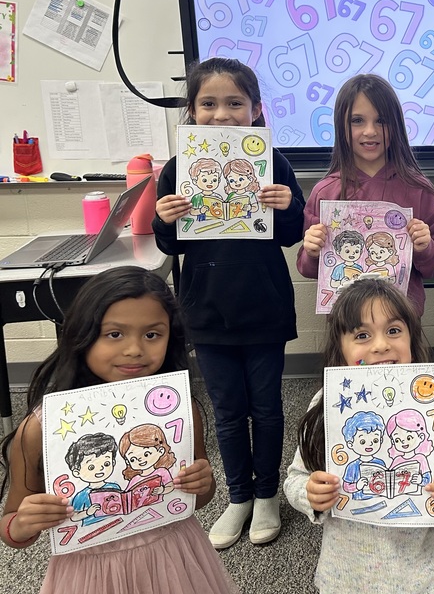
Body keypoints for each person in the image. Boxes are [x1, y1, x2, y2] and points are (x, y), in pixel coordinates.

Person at [0, 266, 238, 593]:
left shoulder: (180, 411)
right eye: (114, 334)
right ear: (82, 334)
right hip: (91, 574)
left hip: (174, 558)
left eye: (152, 335)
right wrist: (24, 523)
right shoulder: (40, 428)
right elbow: (12, 527)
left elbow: (196, 499)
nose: (134, 349)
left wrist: (202, 484)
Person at [153, 57, 306, 549]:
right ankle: (238, 495)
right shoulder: (177, 170)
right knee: (227, 411)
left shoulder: (274, 163)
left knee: (267, 408)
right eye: (209, 104)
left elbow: (292, 234)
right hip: (206, 311)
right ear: (192, 111)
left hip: (264, 308)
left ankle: (267, 494)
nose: (222, 115)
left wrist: (288, 207)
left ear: (256, 109)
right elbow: (172, 245)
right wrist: (163, 219)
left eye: (235, 103)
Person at [284, 278, 434, 594]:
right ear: (340, 348)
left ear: (412, 338)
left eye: (393, 330)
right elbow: (294, 479)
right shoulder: (326, 406)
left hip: (420, 580)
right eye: (362, 335)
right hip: (345, 580)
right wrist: (310, 494)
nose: (380, 345)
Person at [297, 73, 434, 316]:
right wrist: (312, 251)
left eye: (381, 121)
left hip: (401, 320)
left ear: (396, 125)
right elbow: (308, 268)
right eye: (357, 120)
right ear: (341, 125)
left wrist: (425, 247)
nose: (370, 131)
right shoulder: (325, 192)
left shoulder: (419, 190)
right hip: (347, 322)